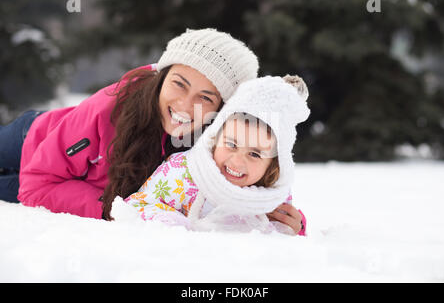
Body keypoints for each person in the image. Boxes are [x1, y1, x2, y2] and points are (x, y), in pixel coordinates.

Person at [0, 28, 259, 220]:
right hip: (33, 140)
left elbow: (256, 181)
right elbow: (37, 185)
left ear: (221, 110)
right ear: (161, 77)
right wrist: (114, 209)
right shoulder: (110, 108)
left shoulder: (218, 143)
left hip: (62, 184)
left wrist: (285, 219)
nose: (184, 106)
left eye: (205, 97)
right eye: (179, 84)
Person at [124, 75, 310, 236]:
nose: (237, 161)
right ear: (215, 138)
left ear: (273, 163)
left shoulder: (272, 193)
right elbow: (135, 206)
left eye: (254, 154)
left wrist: (292, 228)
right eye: (231, 144)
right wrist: (173, 226)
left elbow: (277, 246)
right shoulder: (183, 172)